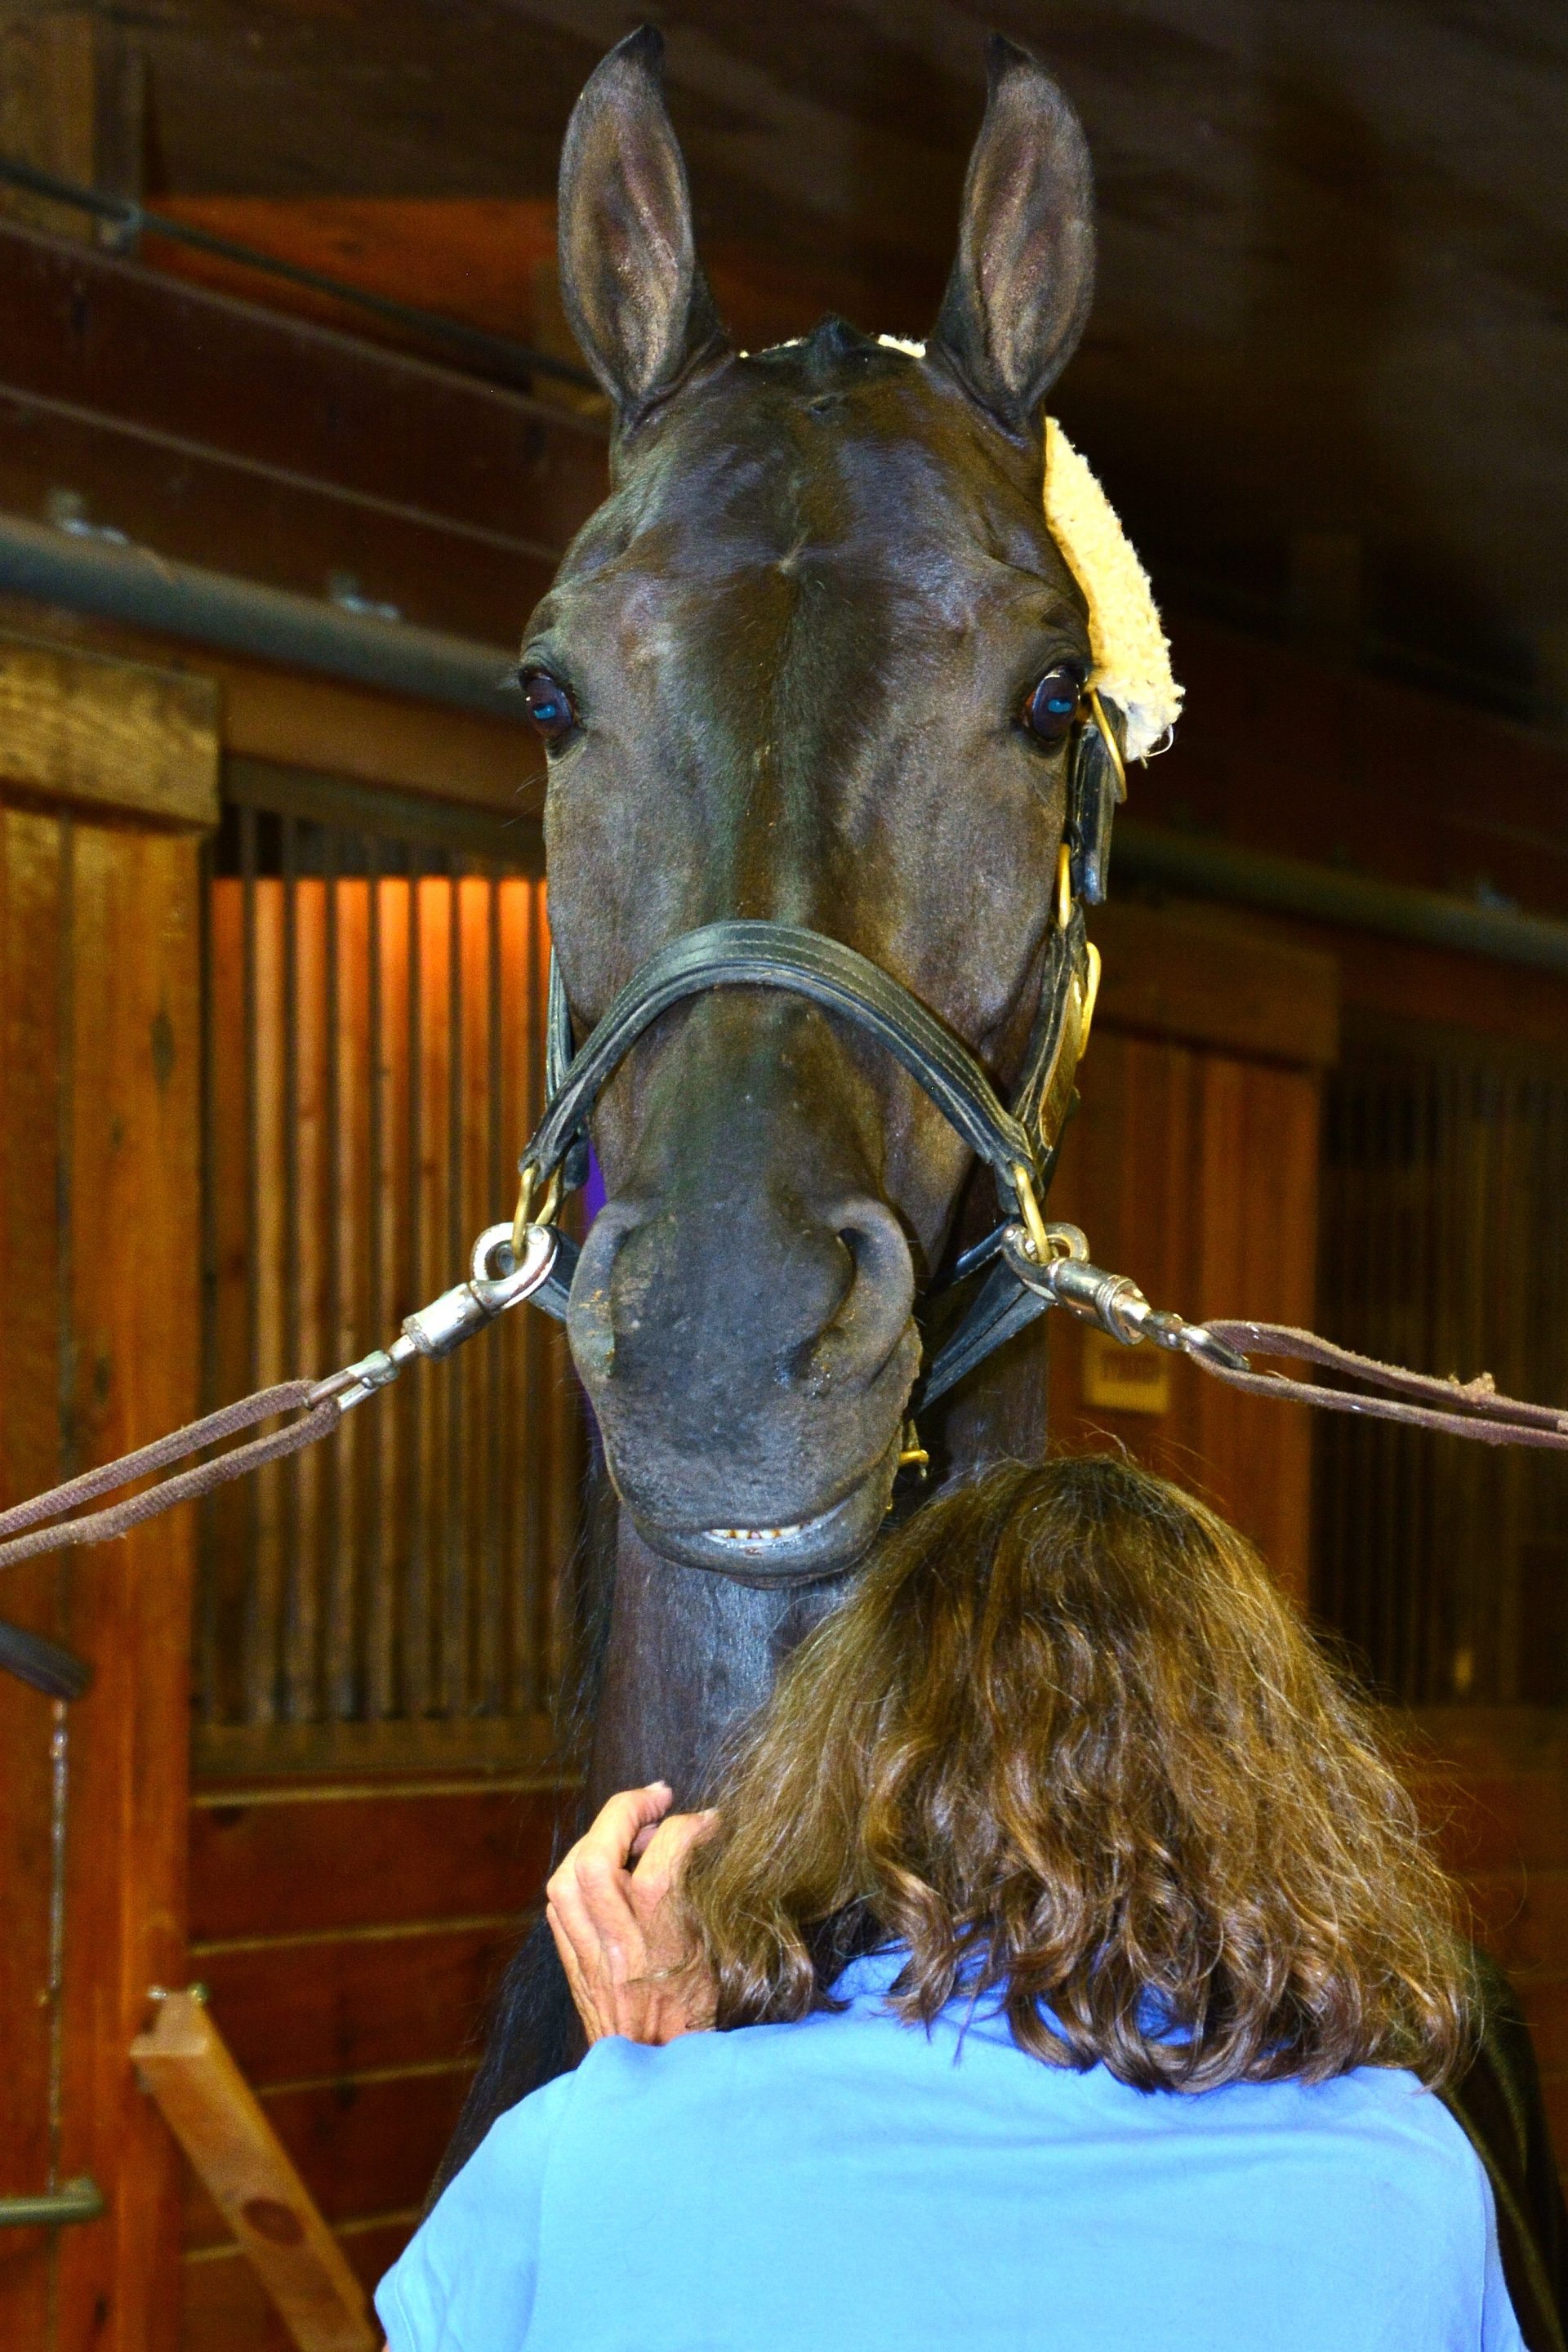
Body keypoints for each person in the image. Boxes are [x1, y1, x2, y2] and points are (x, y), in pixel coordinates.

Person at [376, 1456, 1524, 2351]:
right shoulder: (1408, 2180)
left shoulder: (590, 2152)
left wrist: (647, 2103)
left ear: (858, 1759)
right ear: (1276, 1784)